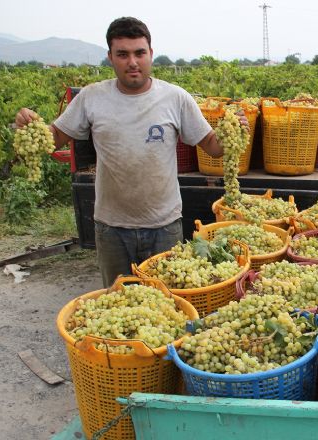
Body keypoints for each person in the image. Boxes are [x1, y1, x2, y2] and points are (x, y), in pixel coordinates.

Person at [15, 16, 246, 287]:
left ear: (151, 54)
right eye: (123, 54)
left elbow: (212, 146)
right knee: (119, 300)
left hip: (164, 226)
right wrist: (30, 124)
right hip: (111, 228)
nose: (132, 62)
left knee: (166, 303)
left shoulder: (175, 98)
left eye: (139, 53)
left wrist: (233, 130)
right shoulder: (91, 97)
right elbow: (53, 139)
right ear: (110, 57)